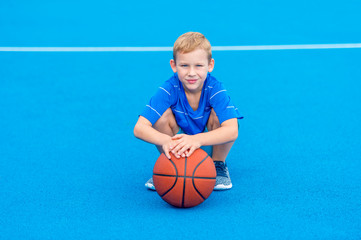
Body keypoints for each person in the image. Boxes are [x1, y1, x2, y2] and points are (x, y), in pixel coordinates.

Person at [134, 32, 242, 190]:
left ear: (210, 65)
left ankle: (218, 164)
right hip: (178, 143)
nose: (191, 72)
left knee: (223, 118)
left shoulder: (215, 88)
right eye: (184, 65)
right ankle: (169, 163)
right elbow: (139, 128)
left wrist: (197, 140)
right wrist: (166, 141)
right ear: (174, 65)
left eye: (198, 65)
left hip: (209, 138)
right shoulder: (169, 88)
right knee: (160, 118)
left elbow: (232, 131)